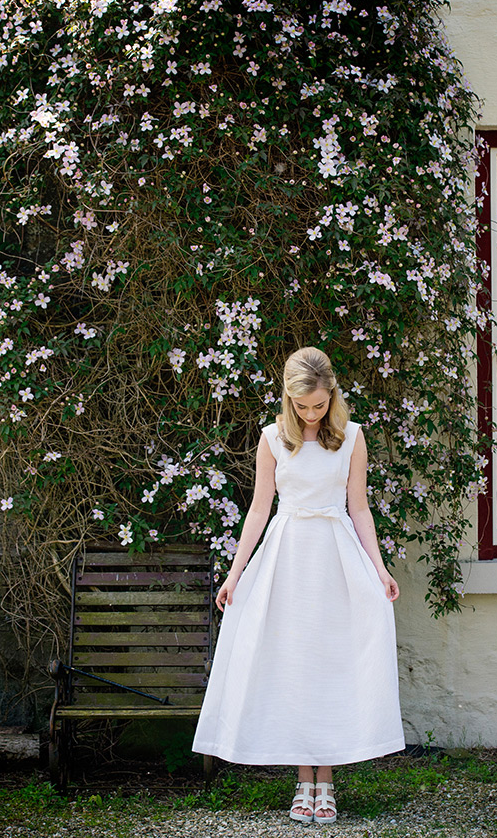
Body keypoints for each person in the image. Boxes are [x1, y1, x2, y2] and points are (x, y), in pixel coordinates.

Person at [192, 346, 405, 824]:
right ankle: (301, 780)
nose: (311, 414)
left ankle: (325, 780)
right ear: (288, 399)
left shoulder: (352, 437)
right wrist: (234, 572)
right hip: (286, 558)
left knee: (329, 660)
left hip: (335, 557)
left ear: (332, 396)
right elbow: (258, 509)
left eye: (319, 405)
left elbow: (360, 508)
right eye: (302, 406)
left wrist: (380, 569)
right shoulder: (272, 438)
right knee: (292, 661)